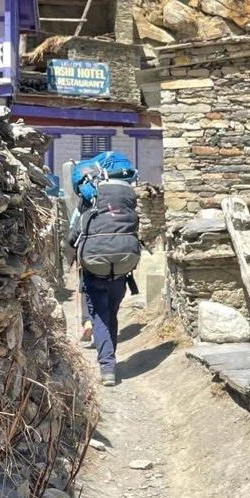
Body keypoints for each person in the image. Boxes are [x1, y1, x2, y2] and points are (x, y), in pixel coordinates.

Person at [66, 152, 141, 386]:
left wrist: (71, 249)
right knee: (112, 313)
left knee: (100, 314)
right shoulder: (128, 198)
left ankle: (107, 366)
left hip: (94, 266)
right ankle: (111, 360)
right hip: (123, 265)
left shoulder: (88, 200)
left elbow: (75, 234)